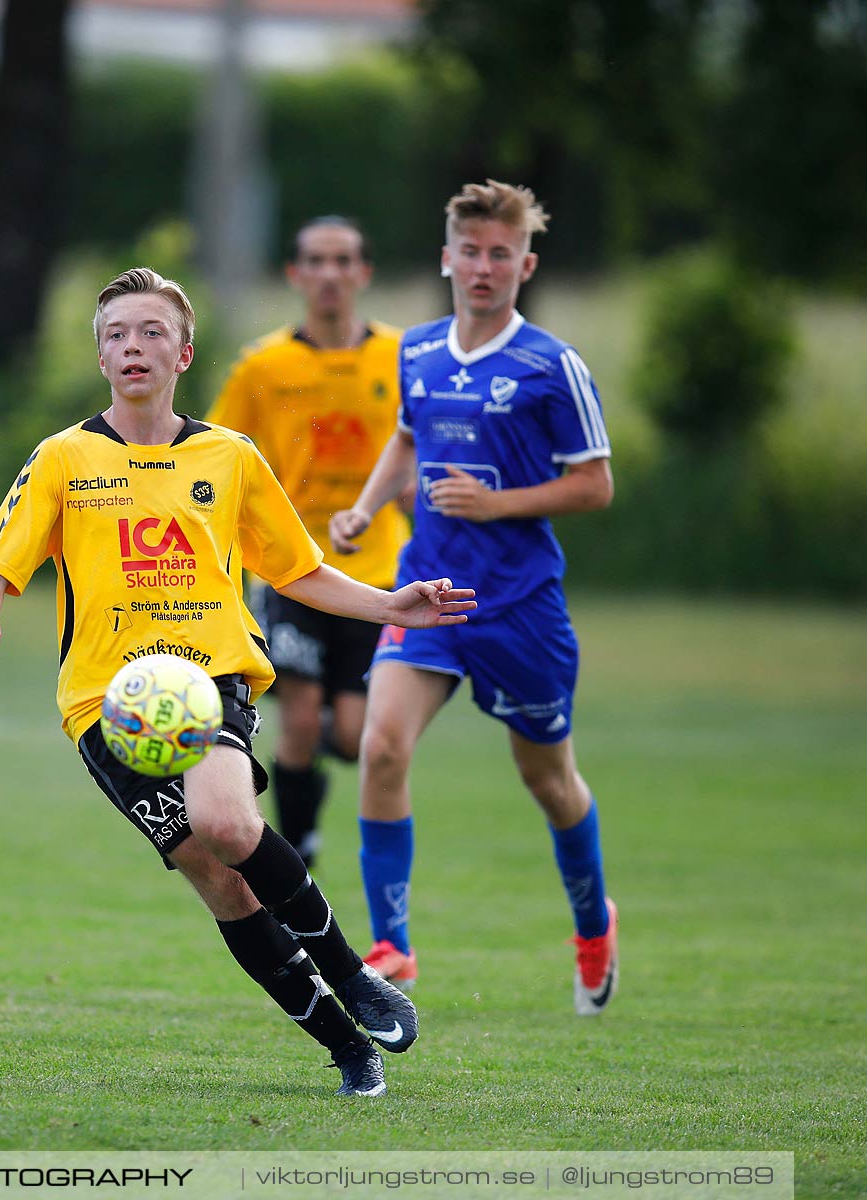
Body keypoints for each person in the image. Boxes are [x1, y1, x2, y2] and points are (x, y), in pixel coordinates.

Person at [0, 268, 475, 1096]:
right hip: (107, 706)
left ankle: (353, 974)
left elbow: (298, 567)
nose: (134, 345)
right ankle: (348, 1048)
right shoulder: (63, 459)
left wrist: (390, 606)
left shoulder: (228, 456)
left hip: (207, 677)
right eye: (118, 334)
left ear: (183, 352)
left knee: (228, 820)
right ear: (100, 359)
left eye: (152, 331)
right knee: (219, 878)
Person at [329, 180, 619, 1013]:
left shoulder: (552, 366)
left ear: (525, 264)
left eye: (502, 254)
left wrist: (497, 505)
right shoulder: (416, 349)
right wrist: (365, 504)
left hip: (521, 609)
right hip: (429, 595)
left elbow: (595, 486)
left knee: (548, 780)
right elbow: (409, 438)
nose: (484, 267)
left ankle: (592, 922)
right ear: (446, 258)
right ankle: (392, 947)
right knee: (382, 747)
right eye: (472, 251)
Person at [206, 216, 408, 869]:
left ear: (363, 273)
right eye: (315, 261)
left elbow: (419, 451)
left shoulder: (400, 358)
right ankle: (298, 852)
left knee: (354, 737)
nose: (329, 273)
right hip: (291, 570)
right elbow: (213, 457)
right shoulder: (262, 366)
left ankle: (320, 728)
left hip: (377, 572)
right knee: (296, 718)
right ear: (295, 275)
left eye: (343, 260)